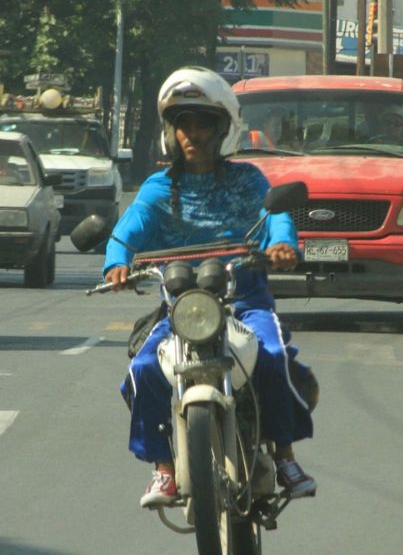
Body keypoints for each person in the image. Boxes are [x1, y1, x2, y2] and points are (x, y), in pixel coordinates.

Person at [102, 66, 318, 508]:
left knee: (273, 358)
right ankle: (162, 469)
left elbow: (276, 215)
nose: (192, 134)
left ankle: (284, 457)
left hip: (245, 301)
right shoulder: (158, 188)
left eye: (202, 123)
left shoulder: (248, 180)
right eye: (183, 124)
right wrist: (117, 263)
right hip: (182, 307)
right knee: (143, 370)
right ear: (170, 130)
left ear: (223, 129)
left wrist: (280, 244)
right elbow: (129, 229)